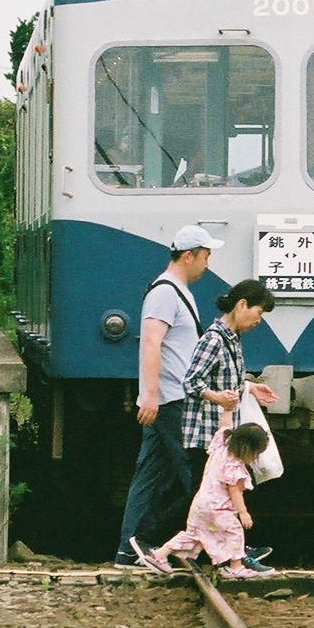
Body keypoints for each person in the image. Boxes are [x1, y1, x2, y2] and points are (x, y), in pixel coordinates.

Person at [113, 224, 222, 569]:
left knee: (150, 477)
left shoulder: (177, 291)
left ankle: (130, 550)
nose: (207, 264)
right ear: (188, 256)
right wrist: (149, 395)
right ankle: (225, 552)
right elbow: (150, 341)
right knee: (202, 478)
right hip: (173, 399)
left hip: (171, 397)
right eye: (205, 256)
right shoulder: (164, 293)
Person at [181, 278, 281, 572]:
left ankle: (230, 553)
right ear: (241, 305)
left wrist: (249, 387)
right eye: (258, 313)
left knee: (215, 497)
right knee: (208, 497)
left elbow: (227, 379)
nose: (259, 321)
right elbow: (191, 382)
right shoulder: (214, 339)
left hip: (223, 433)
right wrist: (218, 398)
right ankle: (152, 542)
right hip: (206, 432)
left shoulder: (232, 338)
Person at [131, 422, 275, 579]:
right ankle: (236, 567)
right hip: (218, 510)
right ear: (246, 448)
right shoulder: (235, 467)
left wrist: (227, 411)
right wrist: (243, 512)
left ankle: (159, 554)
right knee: (235, 533)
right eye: (255, 454)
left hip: (199, 506)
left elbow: (224, 425)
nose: (255, 458)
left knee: (193, 535)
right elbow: (234, 492)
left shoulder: (221, 447)